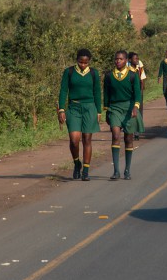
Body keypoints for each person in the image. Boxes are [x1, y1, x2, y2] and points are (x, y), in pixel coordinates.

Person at [57, 48, 102, 181]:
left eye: (86, 62)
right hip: (74, 108)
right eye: (81, 62)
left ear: (89, 62)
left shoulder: (94, 73)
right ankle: (77, 163)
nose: (83, 65)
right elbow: (63, 91)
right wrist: (61, 110)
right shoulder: (69, 72)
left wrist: (99, 111)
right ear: (77, 60)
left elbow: (97, 92)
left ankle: (86, 171)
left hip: (90, 108)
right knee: (74, 140)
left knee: (87, 139)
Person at [104, 50, 144, 180]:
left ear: (126, 60)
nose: (118, 61)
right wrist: (106, 109)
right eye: (116, 59)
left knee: (129, 139)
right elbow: (106, 93)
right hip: (114, 108)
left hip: (129, 108)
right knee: (115, 135)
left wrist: (135, 107)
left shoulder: (133, 75)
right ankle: (116, 171)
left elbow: (137, 94)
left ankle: (127, 170)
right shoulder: (109, 76)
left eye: (121, 59)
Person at [128, 52, 146, 141]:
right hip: (130, 94)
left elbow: (142, 80)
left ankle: (137, 132)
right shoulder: (127, 69)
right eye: (135, 59)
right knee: (131, 111)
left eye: (137, 58)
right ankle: (131, 131)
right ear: (130, 60)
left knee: (139, 111)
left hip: (138, 92)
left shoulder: (139, 68)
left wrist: (141, 92)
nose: (137, 60)